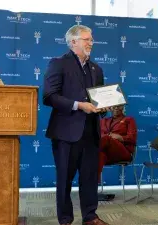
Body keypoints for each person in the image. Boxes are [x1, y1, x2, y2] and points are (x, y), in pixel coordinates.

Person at [43, 25, 109, 225]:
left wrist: (104, 106)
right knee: (64, 179)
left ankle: (90, 217)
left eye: (91, 39)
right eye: (87, 39)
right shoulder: (58, 64)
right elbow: (49, 96)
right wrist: (78, 105)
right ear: (73, 42)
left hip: (91, 132)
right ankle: (65, 219)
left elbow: (98, 99)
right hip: (66, 132)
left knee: (89, 178)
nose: (91, 43)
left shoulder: (96, 69)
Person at [98, 105, 137, 179]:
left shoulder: (129, 119)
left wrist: (120, 137)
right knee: (99, 156)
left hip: (124, 152)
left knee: (106, 138)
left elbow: (132, 138)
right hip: (107, 152)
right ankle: (92, 187)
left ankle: (90, 152)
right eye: (114, 106)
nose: (116, 108)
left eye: (119, 106)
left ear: (123, 107)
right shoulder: (104, 121)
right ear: (110, 108)